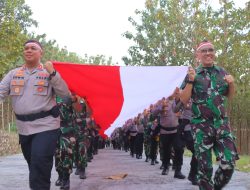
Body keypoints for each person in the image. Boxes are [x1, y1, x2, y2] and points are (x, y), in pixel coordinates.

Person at [0, 39, 70, 190]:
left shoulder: (48, 73)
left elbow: (65, 95)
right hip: (23, 129)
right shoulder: (13, 74)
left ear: (41, 53)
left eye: (33, 48)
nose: (29, 50)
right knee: (35, 167)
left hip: (46, 126)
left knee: (39, 163)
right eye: (26, 48)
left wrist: (53, 73)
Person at [180, 40, 239, 190]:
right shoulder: (192, 74)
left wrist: (232, 84)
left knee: (229, 162)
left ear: (214, 52)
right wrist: (190, 81)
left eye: (210, 50)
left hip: (222, 125)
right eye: (204, 51)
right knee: (205, 170)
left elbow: (230, 95)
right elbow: (183, 99)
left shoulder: (222, 72)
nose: (208, 53)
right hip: (201, 127)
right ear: (197, 55)